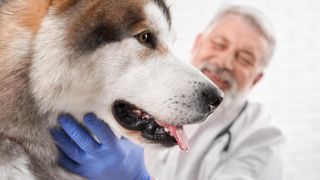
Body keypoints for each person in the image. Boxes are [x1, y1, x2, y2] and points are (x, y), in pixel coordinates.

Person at [51, 5, 284, 180]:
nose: (224, 61)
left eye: (244, 59)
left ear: (256, 78)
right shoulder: (139, 88)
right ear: (198, 43)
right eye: (219, 44)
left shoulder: (262, 139)